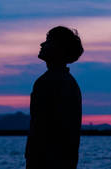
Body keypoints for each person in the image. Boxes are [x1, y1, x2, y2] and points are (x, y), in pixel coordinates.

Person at [25, 26, 84, 169]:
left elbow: (42, 129)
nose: (42, 44)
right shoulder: (67, 82)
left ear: (59, 48)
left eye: (48, 41)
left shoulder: (49, 82)